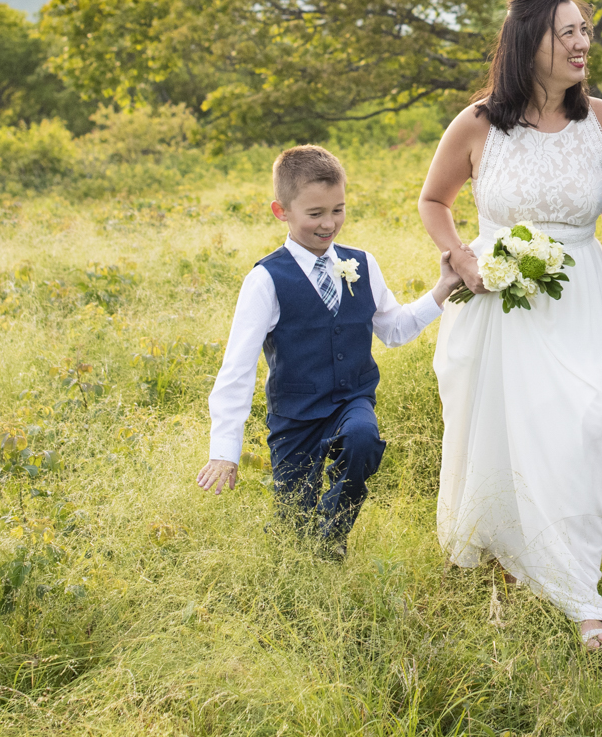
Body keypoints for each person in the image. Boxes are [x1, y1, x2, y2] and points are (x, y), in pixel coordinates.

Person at [418, 0, 602, 652]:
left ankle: (562, 562)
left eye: (585, 30)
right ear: (526, 44)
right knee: (517, 435)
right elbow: (434, 199)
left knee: (593, 420)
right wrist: (462, 257)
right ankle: (573, 598)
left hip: (582, 297)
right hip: (501, 302)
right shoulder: (479, 122)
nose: (580, 44)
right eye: (564, 33)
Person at [196, 145, 458, 555]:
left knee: (362, 439)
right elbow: (238, 367)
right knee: (291, 532)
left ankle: (333, 536)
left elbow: (394, 329)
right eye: (315, 214)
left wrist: (442, 289)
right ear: (280, 211)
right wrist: (224, 452)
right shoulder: (266, 280)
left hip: (351, 401)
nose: (329, 223)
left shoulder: (363, 264)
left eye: (338, 210)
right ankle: (304, 547)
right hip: (295, 418)